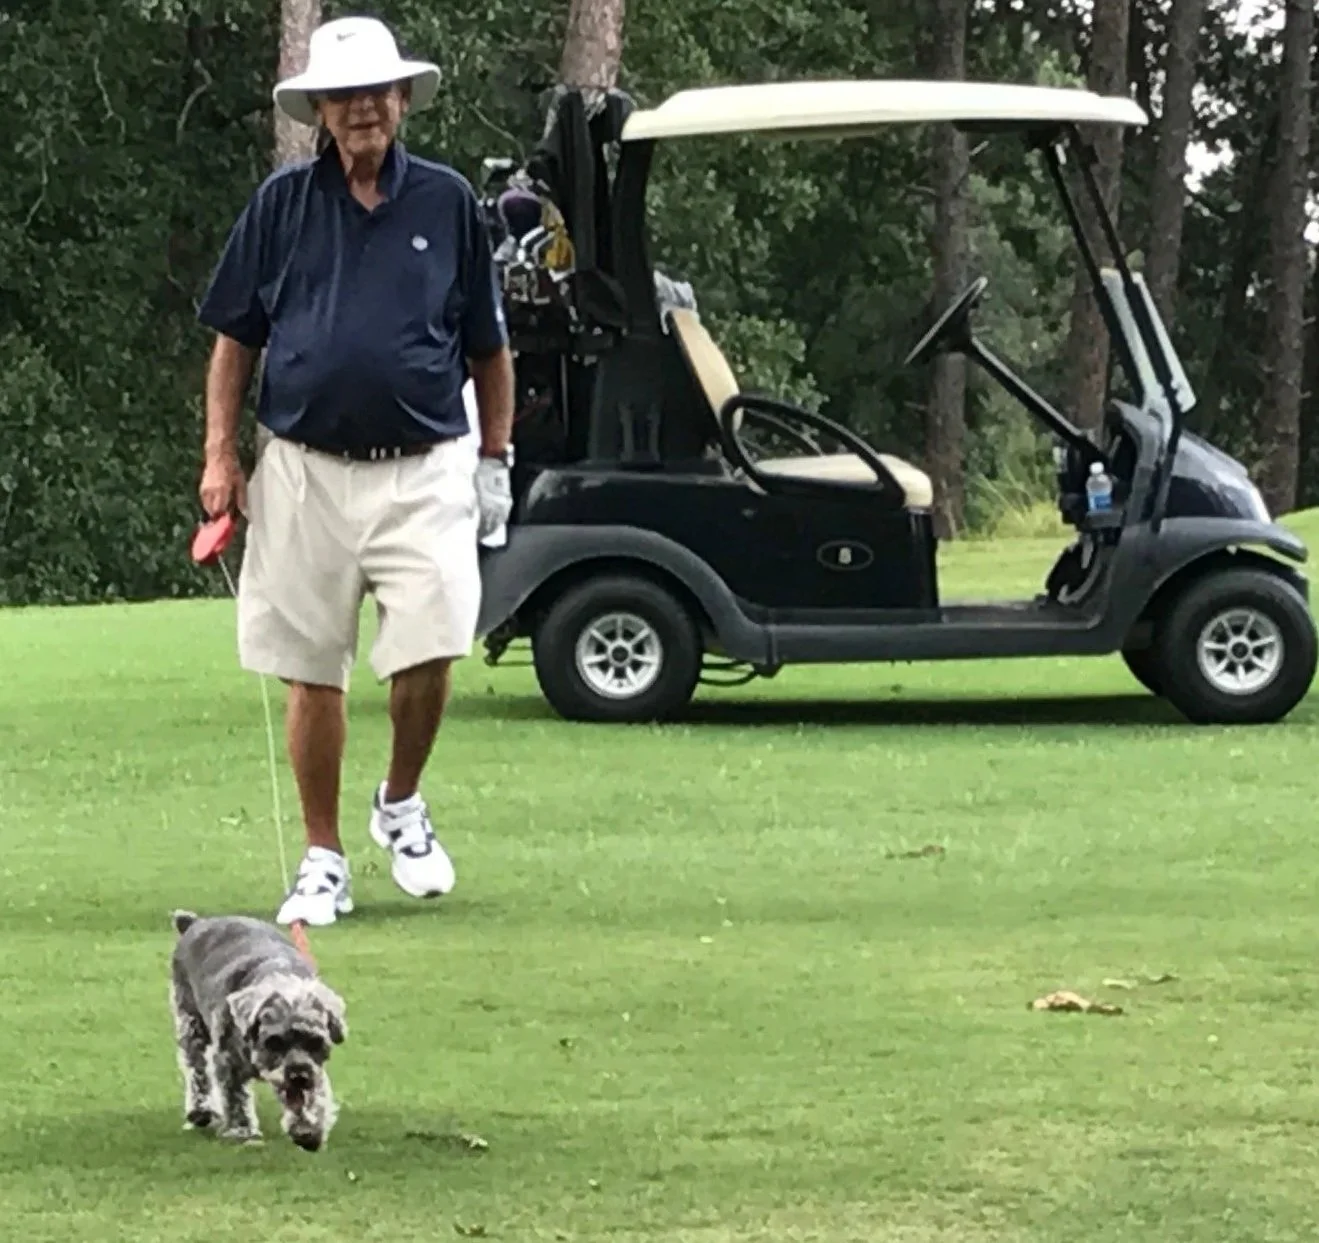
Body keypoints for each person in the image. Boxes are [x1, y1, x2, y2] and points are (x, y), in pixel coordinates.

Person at [195, 15, 515, 928]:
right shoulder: (281, 205)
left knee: (433, 644)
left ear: (403, 99)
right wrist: (222, 457)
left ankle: (400, 803)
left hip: (424, 461)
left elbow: (489, 348)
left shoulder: (449, 201)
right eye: (345, 95)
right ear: (321, 112)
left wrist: (494, 457)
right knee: (311, 671)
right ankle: (324, 856)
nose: (364, 107)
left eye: (379, 92)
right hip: (301, 466)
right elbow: (233, 343)